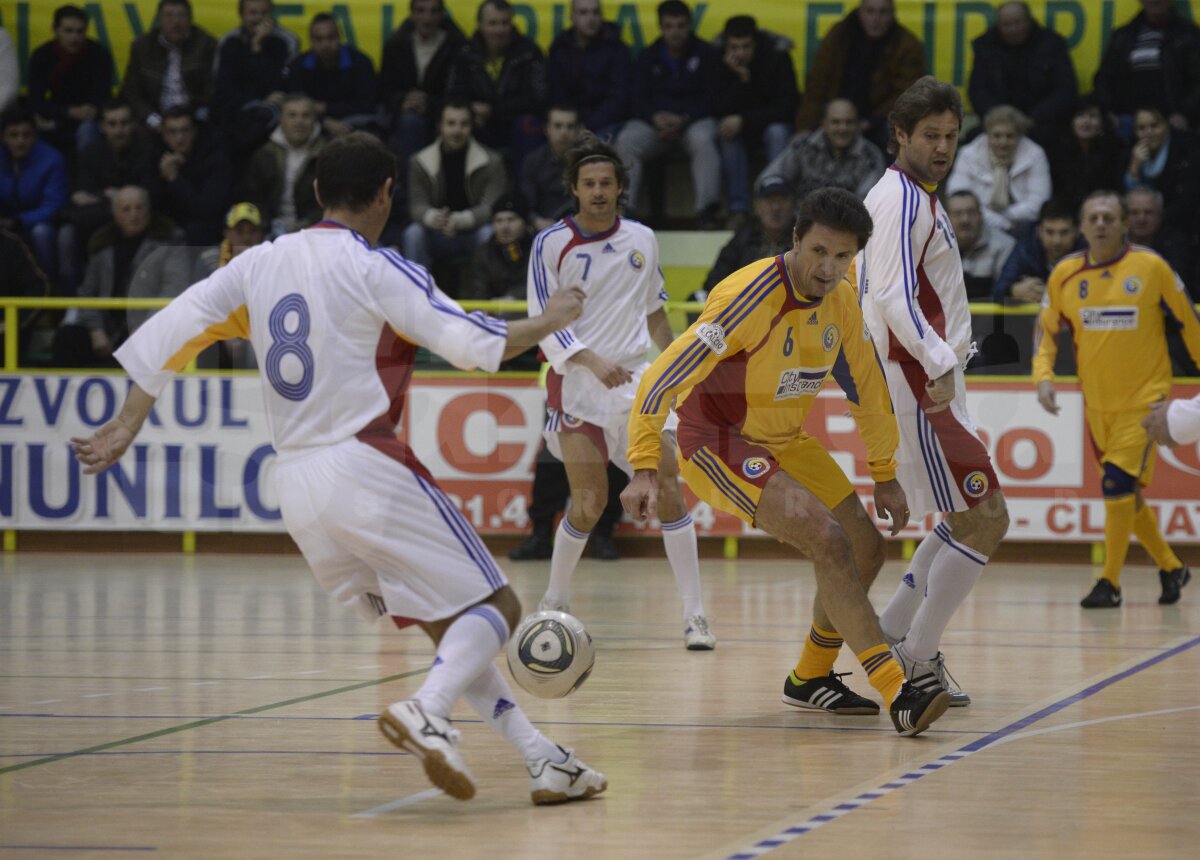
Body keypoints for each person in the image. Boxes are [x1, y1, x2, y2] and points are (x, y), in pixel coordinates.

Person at [69, 131, 606, 806]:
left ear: (317, 193)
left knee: (449, 625)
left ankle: (542, 758)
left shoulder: (258, 262)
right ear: (387, 194)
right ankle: (427, 710)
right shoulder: (377, 267)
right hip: (364, 461)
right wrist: (550, 319)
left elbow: (174, 328)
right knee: (498, 605)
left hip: (295, 485)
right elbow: (476, 345)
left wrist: (125, 423)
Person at [623, 186, 949, 735]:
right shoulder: (747, 297)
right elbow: (663, 376)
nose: (829, 268)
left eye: (843, 257)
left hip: (785, 438)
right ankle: (897, 690)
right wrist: (643, 463)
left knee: (866, 547)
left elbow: (868, 389)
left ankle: (809, 677)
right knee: (827, 538)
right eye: (819, 251)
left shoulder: (842, 298)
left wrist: (885, 475)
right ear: (796, 240)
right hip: (719, 440)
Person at [527, 132, 715, 649]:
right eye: (588, 183)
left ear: (619, 188)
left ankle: (695, 615)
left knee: (672, 490)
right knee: (589, 502)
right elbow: (541, 320)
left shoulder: (642, 239)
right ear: (574, 188)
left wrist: (676, 365)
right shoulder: (550, 244)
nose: (598, 191)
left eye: (606, 183)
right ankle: (555, 601)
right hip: (578, 385)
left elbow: (656, 311)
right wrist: (589, 358)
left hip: (637, 386)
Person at [859, 77, 1011, 706]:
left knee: (963, 516)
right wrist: (939, 358)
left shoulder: (919, 196)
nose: (944, 146)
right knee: (987, 518)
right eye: (931, 136)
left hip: (932, 376)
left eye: (951, 136)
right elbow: (890, 295)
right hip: (921, 380)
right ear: (900, 136)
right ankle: (915, 659)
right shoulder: (899, 198)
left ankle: (891, 634)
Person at [1034, 190, 1198, 608]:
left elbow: (1187, 320)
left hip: (1147, 403)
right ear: (1083, 226)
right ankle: (1171, 566)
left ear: (1124, 223)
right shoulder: (1066, 274)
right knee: (1127, 495)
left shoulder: (1151, 267)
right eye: (1094, 218)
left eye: (1110, 217)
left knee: (1116, 485)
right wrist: (1043, 376)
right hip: (1097, 405)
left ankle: (1109, 583)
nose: (1102, 224)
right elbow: (1046, 329)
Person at [615, 0, 721, 227]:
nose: (675, 32)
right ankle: (624, 211)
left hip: (693, 122)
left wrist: (684, 118)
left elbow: (713, 98)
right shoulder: (647, 56)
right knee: (627, 140)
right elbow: (635, 97)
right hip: (655, 124)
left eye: (681, 25)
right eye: (669, 26)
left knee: (704, 140)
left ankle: (707, 212)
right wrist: (654, 116)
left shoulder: (706, 54)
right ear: (661, 27)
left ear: (690, 26)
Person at [52, 185, 180, 367]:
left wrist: (142, 330)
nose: (133, 215)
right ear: (115, 214)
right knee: (67, 338)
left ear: (149, 210)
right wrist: (96, 330)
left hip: (146, 329)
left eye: (139, 208)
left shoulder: (170, 244)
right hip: (107, 329)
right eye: (126, 209)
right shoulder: (102, 245)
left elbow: (172, 292)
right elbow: (87, 293)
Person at [795, 0, 925, 152]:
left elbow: (904, 96)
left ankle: (892, 176)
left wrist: (869, 122)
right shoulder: (839, 36)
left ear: (892, 14)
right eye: (870, 12)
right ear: (860, 12)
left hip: (877, 121)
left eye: (883, 13)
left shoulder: (907, 45)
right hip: (835, 116)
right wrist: (805, 127)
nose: (876, 19)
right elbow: (817, 85)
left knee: (894, 132)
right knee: (801, 141)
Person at [403, 99, 506, 281]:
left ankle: (486, 298)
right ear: (440, 126)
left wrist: (459, 220)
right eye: (451, 124)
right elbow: (416, 205)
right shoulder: (419, 161)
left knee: (489, 233)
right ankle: (417, 297)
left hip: (473, 232)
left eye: (464, 124)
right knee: (413, 234)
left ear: (472, 127)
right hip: (436, 232)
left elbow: (493, 207)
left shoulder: (492, 162)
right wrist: (435, 218)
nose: (457, 130)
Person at [713, 15, 798, 222]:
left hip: (769, 125)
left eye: (745, 46)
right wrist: (741, 80)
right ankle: (738, 210)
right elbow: (717, 108)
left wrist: (744, 120)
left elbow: (787, 108)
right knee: (727, 134)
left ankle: (776, 201)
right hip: (741, 130)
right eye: (734, 47)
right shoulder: (717, 60)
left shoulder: (777, 57)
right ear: (726, 45)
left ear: (756, 43)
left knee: (777, 132)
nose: (740, 53)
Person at [446, 0, 547, 164]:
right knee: (457, 122)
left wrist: (493, 110)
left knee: (528, 124)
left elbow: (538, 98)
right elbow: (453, 94)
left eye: (504, 23)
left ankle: (525, 188)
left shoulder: (529, 52)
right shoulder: (464, 53)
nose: (499, 30)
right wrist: (470, 109)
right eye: (493, 23)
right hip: (478, 123)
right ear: (480, 25)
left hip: (513, 123)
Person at [967, 1, 1076, 144]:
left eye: (1017, 23)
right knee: (973, 138)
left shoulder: (1052, 44)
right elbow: (978, 90)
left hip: (1042, 122)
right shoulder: (985, 46)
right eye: (1006, 25)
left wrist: (1034, 118)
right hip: (997, 123)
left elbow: (1065, 89)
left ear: (1029, 21)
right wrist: (1002, 118)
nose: (1013, 29)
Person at [1093, 0, 1200, 135]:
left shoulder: (1188, 34)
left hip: (1172, 125)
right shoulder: (1124, 35)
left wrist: (1184, 114)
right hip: (1128, 125)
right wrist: (1107, 113)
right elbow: (1104, 79)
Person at [379, 0, 467, 164]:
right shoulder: (395, 45)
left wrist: (430, 104)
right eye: (421, 11)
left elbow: (460, 89)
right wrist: (403, 100)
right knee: (410, 122)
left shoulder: (457, 46)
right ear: (412, 14)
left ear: (442, 15)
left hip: (444, 113)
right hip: (404, 114)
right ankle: (410, 186)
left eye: (434, 12)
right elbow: (384, 88)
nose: (427, 18)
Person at [946, 104, 1051, 238]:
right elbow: (956, 195)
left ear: (1020, 136)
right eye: (997, 135)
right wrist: (996, 220)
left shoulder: (1035, 154)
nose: (1003, 142)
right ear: (987, 135)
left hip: (1022, 225)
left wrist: (1005, 217)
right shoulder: (969, 154)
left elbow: (1039, 203)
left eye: (1010, 136)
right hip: (978, 223)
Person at [757, 99, 885, 203]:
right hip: (799, 224)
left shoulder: (871, 156)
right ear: (823, 124)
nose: (842, 128)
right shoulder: (804, 147)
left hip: (846, 227)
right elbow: (767, 179)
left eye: (849, 122)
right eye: (836, 122)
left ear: (858, 125)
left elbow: (867, 203)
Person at [27, 5, 114, 156]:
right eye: (68, 31)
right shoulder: (42, 55)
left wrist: (60, 120)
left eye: (80, 31)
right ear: (55, 30)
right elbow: (35, 100)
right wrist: (67, 112)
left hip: (86, 119)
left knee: (87, 131)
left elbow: (100, 100)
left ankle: (86, 177)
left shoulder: (99, 55)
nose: (74, 38)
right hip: (57, 114)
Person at [119, 0, 217, 129]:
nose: (175, 23)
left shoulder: (206, 44)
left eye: (181, 16)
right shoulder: (142, 46)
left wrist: (193, 117)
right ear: (159, 20)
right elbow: (132, 92)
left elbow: (213, 88)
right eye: (169, 16)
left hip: (194, 115)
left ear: (190, 20)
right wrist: (154, 120)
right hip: (156, 116)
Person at [0, 108, 69, 286]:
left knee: (42, 233)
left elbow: (53, 205)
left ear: (35, 136)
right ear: (3, 138)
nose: (20, 141)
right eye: (13, 135)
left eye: (26, 135)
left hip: (37, 223)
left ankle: (49, 290)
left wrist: (18, 221)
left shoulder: (52, 159)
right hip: (5, 222)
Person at [240, 94, 326, 236]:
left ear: (314, 120)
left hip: (316, 230)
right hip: (269, 231)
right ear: (281, 119)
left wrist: (307, 223)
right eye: (292, 115)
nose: (299, 121)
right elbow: (253, 198)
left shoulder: (329, 155)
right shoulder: (264, 154)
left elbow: (334, 202)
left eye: (306, 116)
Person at [546, 0, 631, 140]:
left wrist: (587, 125)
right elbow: (557, 94)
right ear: (572, 17)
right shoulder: (559, 48)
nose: (591, 18)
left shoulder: (617, 49)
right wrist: (572, 124)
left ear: (602, 16)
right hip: (569, 122)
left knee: (594, 148)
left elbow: (618, 99)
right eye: (583, 12)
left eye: (595, 12)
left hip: (606, 123)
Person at [284, 14, 378, 139]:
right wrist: (325, 122)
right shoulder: (298, 66)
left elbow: (367, 105)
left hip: (355, 124)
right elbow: (295, 104)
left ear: (339, 37)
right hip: (314, 124)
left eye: (331, 37)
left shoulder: (361, 62)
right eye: (319, 39)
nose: (326, 44)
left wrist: (325, 107)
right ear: (311, 40)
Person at [698, 175, 795, 296]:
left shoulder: (802, 239)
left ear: (792, 205)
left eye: (781, 200)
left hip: (790, 307)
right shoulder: (743, 238)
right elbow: (714, 281)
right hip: (746, 306)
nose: (776, 207)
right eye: (769, 201)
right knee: (697, 297)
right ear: (757, 206)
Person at [153, 106, 233, 247]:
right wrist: (162, 176)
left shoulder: (214, 158)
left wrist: (175, 179)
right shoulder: (155, 156)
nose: (179, 138)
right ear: (164, 135)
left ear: (194, 131)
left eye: (185, 130)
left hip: (204, 234)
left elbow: (208, 210)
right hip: (166, 229)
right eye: (173, 132)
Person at [1123, 106, 1200, 232]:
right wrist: (1134, 168)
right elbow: (1127, 199)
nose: (1149, 132)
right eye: (1141, 128)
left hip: (1177, 225)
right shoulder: (1128, 153)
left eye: (1154, 126)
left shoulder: (1187, 149)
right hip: (1136, 226)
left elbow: (1187, 199)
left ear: (1166, 125)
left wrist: (1158, 221)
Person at [992, 198, 1081, 304]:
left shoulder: (1089, 251)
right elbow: (997, 291)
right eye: (1049, 232)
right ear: (1039, 231)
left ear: (1077, 232)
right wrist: (1013, 290)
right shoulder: (1026, 250)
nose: (1057, 241)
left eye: (1064, 232)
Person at [1046, 95, 1125, 213]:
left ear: (1102, 123)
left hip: (1103, 209)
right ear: (1071, 122)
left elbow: (1116, 189)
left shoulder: (1115, 149)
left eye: (1093, 116)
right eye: (1080, 116)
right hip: (1067, 211)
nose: (1086, 122)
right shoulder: (1057, 151)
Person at [519, 105, 580, 232]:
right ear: (547, 129)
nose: (564, 132)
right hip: (544, 227)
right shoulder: (533, 162)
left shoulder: (588, 162)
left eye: (570, 126)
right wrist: (536, 221)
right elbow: (527, 204)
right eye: (558, 126)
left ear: (578, 131)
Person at [947, 189, 1015, 301]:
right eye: (957, 214)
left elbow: (1003, 292)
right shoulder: (935, 246)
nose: (965, 220)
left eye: (971, 212)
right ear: (946, 217)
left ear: (981, 215)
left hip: (990, 316)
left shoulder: (1004, 245)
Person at [467, 193, 532, 300]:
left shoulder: (538, 250)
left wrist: (512, 298)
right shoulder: (483, 253)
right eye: (499, 221)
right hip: (494, 314)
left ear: (525, 223)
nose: (504, 227)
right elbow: (479, 292)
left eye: (511, 220)